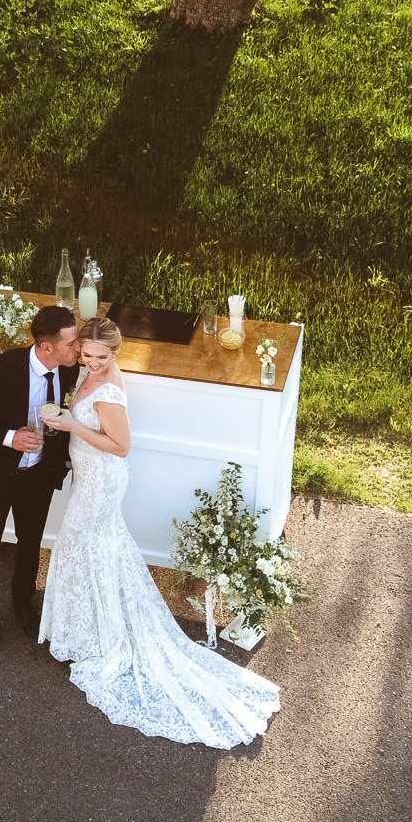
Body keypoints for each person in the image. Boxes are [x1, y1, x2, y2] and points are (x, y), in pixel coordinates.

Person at [37, 317, 280, 749]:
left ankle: (103, 633)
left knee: (85, 543)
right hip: (88, 476)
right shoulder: (92, 374)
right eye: (86, 355)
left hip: (103, 479)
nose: (91, 363)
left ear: (116, 354)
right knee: (89, 547)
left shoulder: (110, 390)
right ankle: (88, 625)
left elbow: (121, 446)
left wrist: (72, 426)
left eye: (100, 357)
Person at [0, 304, 81, 658]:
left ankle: (23, 603)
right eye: (71, 343)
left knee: (30, 544)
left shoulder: (68, 371)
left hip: (39, 473)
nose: (78, 349)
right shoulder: (2, 369)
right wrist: (10, 437)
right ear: (46, 347)